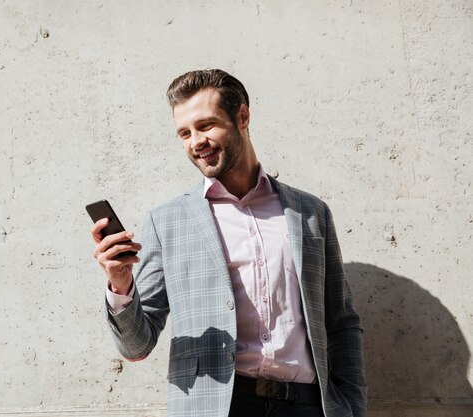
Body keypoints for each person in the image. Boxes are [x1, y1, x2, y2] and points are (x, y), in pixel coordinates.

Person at [90, 69, 367, 417]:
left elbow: (341, 322)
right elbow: (136, 346)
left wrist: (352, 407)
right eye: (184, 133)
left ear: (243, 116)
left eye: (205, 126)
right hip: (220, 406)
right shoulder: (168, 222)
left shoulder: (309, 213)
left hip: (306, 405)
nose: (195, 142)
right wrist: (120, 283)